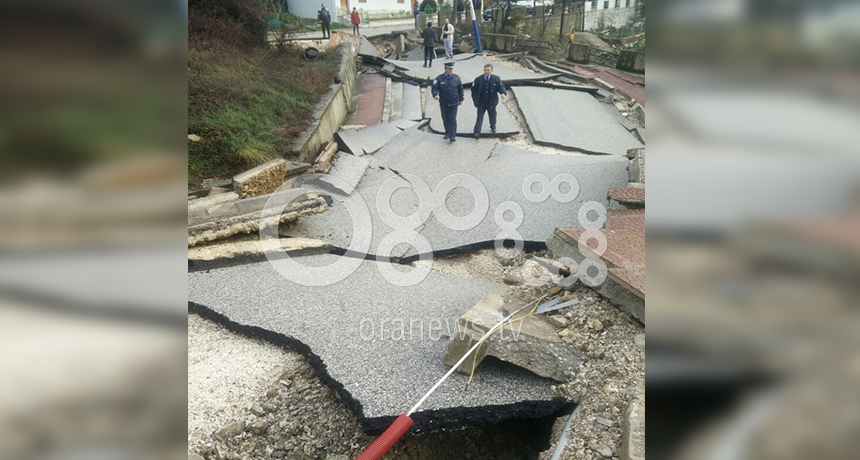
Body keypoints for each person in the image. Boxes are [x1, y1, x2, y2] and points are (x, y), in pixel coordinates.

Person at [471, 64, 507, 138]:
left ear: (491, 70)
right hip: (481, 102)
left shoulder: (496, 79)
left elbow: (500, 86)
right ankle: (477, 132)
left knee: (492, 116)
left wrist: (502, 93)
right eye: (485, 70)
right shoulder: (478, 79)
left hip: (491, 102)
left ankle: (493, 127)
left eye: (488, 70)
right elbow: (473, 90)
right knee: (479, 117)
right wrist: (475, 99)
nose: (486, 72)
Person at [431, 62, 464, 143]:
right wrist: (435, 94)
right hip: (444, 102)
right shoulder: (439, 78)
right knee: (445, 118)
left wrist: (461, 99)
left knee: (452, 119)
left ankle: (452, 136)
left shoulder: (456, 78)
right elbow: (434, 88)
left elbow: (460, 89)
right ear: (445, 69)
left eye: (452, 69)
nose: (451, 70)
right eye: (449, 69)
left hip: (454, 102)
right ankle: (448, 132)